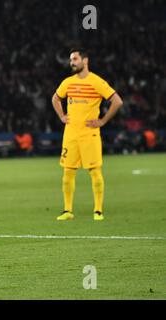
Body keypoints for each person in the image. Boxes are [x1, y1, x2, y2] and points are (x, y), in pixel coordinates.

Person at [52, 48, 123, 221]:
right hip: (71, 134)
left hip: (89, 135)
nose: (72, 63)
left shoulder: (96, 82)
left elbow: (117, 101)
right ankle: (67, 210)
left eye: (75, 59)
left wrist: (103, 121)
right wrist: (62, 116)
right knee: (68, 172)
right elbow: (55, 98)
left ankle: (98, 210)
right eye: (71, 60)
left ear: (85, 61)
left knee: (94, 171)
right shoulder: (68, 82)